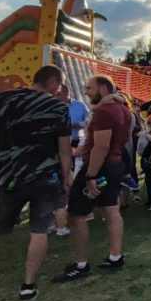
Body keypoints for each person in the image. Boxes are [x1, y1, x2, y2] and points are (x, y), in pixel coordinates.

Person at [0, 66, 72, 301]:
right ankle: (28, 286)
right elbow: (64, 150)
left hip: (10, 177)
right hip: (45, 178)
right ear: (53, 81)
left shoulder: (3, 100)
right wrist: (66, 177)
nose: (59, 89)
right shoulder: (58, 107)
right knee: (39, 231)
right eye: (59, 84)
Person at [55, 75, 131, 283]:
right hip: (114, 164)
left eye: (89, 88)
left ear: (103, 88)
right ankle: (115, 257)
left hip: (99, 167)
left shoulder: (105, 111)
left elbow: (101, 146)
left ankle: (81, 265)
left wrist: (91, 175)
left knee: (76, 214)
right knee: (111, 209)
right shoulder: (122, 107)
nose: (86, 92)